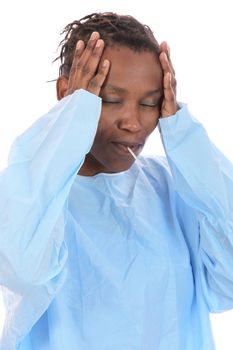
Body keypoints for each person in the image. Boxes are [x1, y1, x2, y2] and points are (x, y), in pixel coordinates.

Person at [0, 11, 233, 350]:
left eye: (150, 103)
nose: (133, 122)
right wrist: (72, 119)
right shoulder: (35, 196)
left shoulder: (172, 188)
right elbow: (23, 270)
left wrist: (183, 136)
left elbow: (227, 282)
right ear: (68, 93)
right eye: (110, 100)